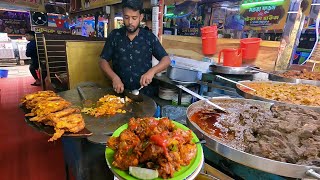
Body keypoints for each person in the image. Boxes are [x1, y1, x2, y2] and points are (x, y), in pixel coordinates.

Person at [99, 0, 171, 97]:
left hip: (145, 94)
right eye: (126, 17)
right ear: (122, 15)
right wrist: (114, 78)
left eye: (134, 18)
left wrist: (152, 71)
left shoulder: (149, 37)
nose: (130, 22)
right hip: (121, 93)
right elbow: (103, 60)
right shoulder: (115, 35)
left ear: (140, 17)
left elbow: (166, 59)